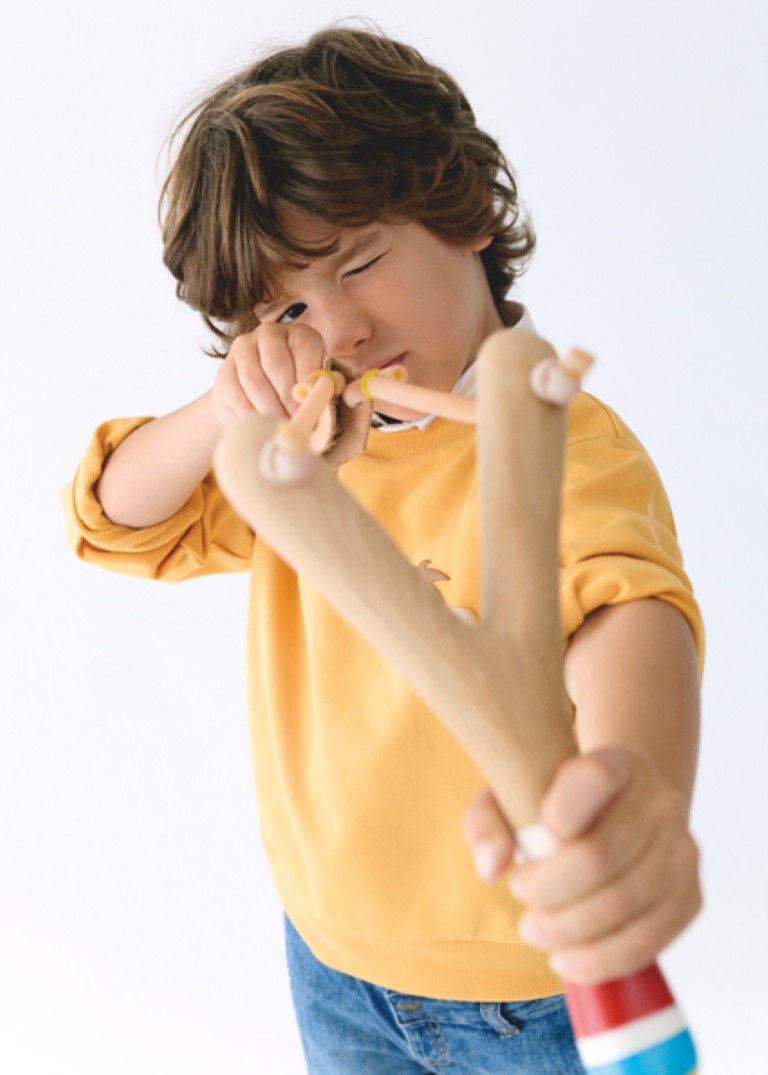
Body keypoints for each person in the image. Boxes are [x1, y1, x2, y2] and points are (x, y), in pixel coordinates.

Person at [61, 26, 703, 1074]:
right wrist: (228, 409)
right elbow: (113, 517)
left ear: (469, 214)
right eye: (289, 307)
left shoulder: (563, 446)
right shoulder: (303, 450)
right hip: (328, 953)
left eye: (361, 261)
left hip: (523, 996)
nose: (343, 328)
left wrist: (636, 798)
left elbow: (628, 613)